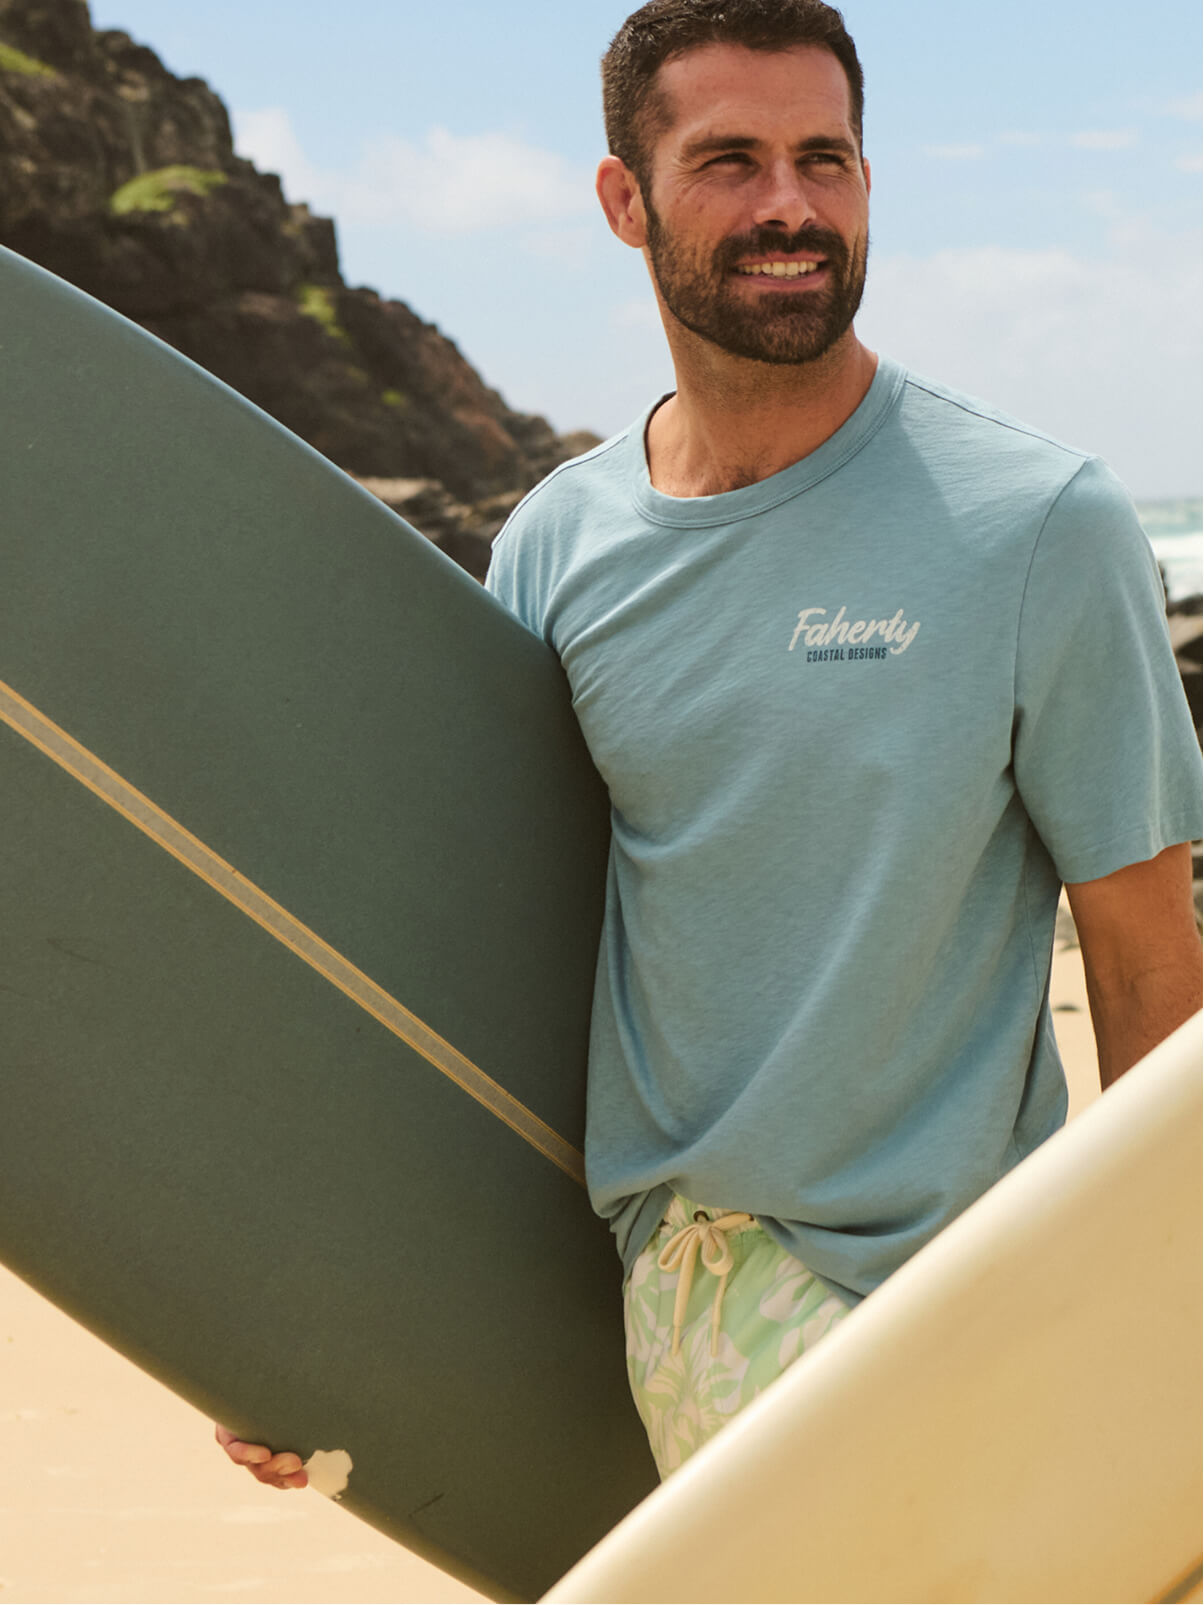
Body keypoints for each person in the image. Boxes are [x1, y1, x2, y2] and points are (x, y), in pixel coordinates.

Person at [221, 0, 1202, 1486]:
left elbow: (1145, 970)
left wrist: (1159, 1343)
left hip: (951, 1315)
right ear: (626, 201)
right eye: (731, 161)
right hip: (677, 1329)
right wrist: (321, 1325)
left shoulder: (1039, 525)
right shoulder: (558, 548)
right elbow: (487, 971)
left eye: (826, 159)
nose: (791, 206)